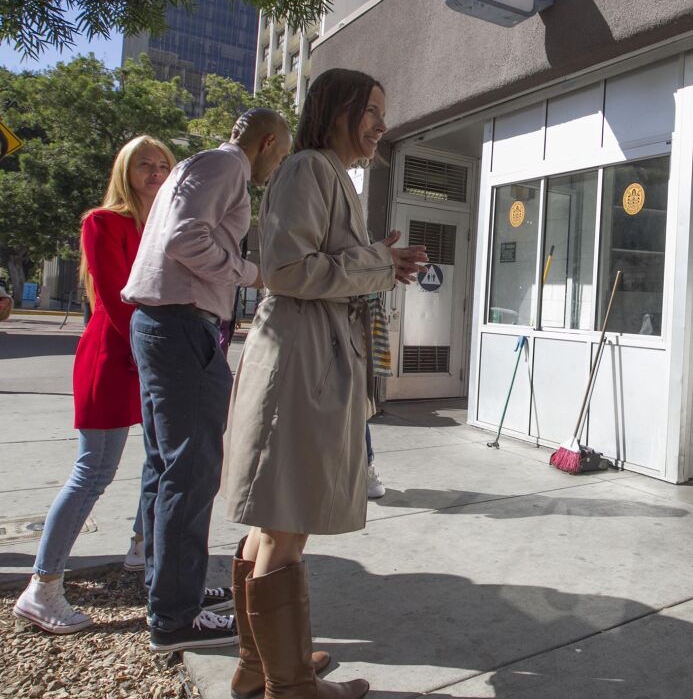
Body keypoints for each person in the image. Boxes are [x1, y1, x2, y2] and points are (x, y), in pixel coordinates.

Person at [221, 68, 424, 699]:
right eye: (371, 110)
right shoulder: (310, 168)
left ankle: (261, 670)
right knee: (287, 521)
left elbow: (317, 264)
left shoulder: (327, 173)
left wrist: (377, 264)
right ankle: (292, 686)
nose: (381, 126)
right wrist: (376, 263)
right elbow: (285, 269)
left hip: (306, 358)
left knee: (273, 520)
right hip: (301, 364)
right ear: (336, 109)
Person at [122, 110, 291, 653]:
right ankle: (175, 616)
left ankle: (169, 588)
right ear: (267, 143)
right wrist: (250, 273)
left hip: (162, 325)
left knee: (166, 466)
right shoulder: (226, 166)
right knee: (191, 472)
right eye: (281, 155)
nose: (278, 166)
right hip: (181, 326)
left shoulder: (200, 165)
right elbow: (184, 239)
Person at [11, 136, 174, 634]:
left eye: (163, 165)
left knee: (161, 461)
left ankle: (144, 553)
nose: (154, 172)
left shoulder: (162, 227)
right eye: (143, 164)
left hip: (150, 357)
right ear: (124, 172)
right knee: (94, 472)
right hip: (114, 356)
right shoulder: (102, 222)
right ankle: (42, 588)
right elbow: (118, 296)